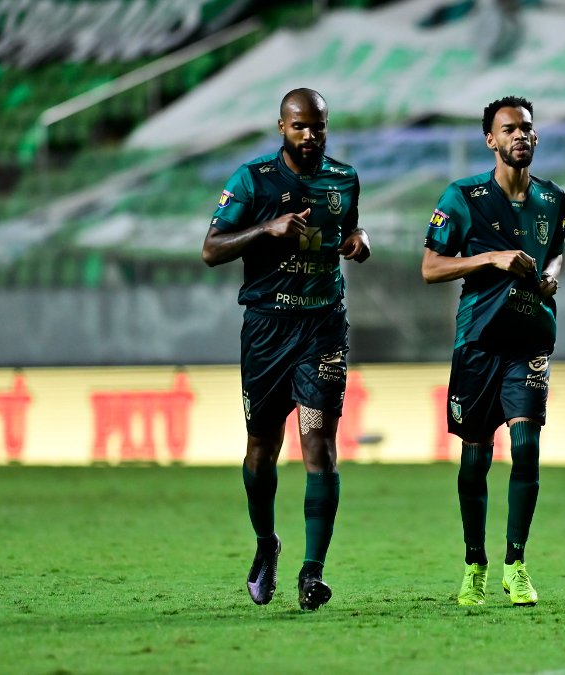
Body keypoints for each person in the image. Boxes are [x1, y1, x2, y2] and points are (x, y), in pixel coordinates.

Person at [201, 88, 370, 611]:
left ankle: (312, 572)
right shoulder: (251, 180)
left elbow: (348, 227)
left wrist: (359, 239)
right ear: (281, 127)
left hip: (322, 330)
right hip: (267, 332)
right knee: (261, 448)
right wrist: (266, 229)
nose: (310, 135)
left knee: (318, 446)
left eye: (318, 126)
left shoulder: (343, 178)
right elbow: (211, 249)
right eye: (300, 126)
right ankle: (266, 544)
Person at [421, 95, 565, 607]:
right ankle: (474, 563)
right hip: (479, 342)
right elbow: (431, 268)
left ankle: (516, 564)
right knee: (476, 461)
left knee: (526, 447)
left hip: (529, 339)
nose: (519, 135)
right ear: (491, 140)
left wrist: (549, 277)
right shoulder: (463, 196)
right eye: (508, 129)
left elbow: (557, 254)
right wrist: (492, 259)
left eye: (526, 128)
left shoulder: (553, 199)